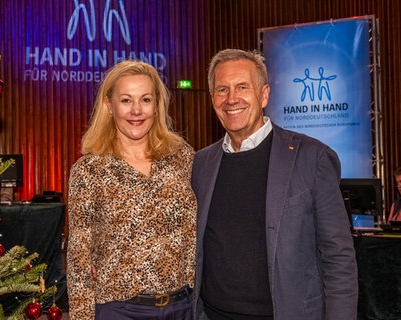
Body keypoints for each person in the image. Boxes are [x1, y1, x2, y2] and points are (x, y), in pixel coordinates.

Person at [191, 49, 358, 320]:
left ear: (264, 94)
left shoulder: (311, 158)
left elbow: (338, 257)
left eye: (242, 87)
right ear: (212, 99)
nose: (231, 99)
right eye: (222, 90)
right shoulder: (201, 163)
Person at [67, 60, 197, 320]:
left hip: (184, 307)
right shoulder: (90, 170)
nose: (136, 110)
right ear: (109, 105)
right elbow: (78, 259)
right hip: (120, 311)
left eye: (146, 100)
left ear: (156, 105)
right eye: (126, 100)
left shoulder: (182, 157)